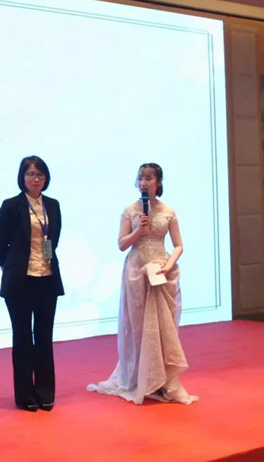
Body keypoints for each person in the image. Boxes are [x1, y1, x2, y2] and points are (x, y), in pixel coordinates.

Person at [87, 163, 198, 405]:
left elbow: (179, 245)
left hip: (161, 270)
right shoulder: (130, 210)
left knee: (163, 327)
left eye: (148, 178)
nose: (143, 183)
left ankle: (164, 381)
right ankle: (140, 379)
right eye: (140, 178)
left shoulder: (168, 211)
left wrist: (169, 264)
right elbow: (121, 244)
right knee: (138, 327)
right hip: (137, 270)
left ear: (158, 182)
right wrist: (138, 230)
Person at [0, 155, 65, 412]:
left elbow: (53, 240)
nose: (36, 179)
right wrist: (9, 266)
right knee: (23, 336)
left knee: (44, 337)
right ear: (22, 177)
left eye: (40, 174)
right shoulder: (11, 205)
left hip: (47, 278)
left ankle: (45, 392)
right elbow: (1, 243)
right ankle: (25, 395)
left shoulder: (53, 205)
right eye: (31, 174)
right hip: (20, 281)